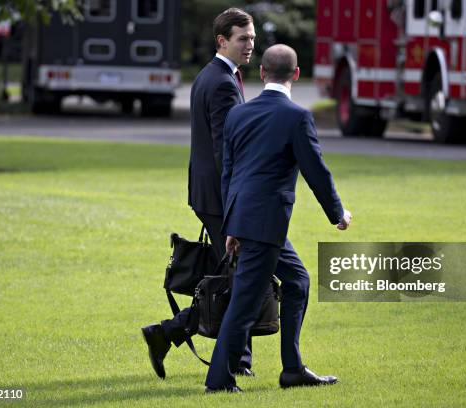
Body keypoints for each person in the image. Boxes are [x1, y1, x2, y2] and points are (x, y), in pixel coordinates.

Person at [204, 44, 352, 393]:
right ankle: (218, 381)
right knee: (244, 303)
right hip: (264, 224)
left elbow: (228, 173)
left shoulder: (238, 115)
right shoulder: (297, 117)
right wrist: (337, 213)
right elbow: (316, 171)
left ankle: (292, 369)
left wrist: (231, 224)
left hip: (247, 219)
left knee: (298, 281)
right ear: (296, 75)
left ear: (262, 73)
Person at [141, 8, 256, 379]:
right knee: (238, 279)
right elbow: (226, 149)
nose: (250, 44)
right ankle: (168, 333)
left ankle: (237, 358)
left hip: (208, 194)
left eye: (252, 38)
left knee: (237, 275)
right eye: (243, 38)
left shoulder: (211, 75)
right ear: (222, 40)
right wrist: (237, 204)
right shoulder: (221, 81)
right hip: (220, 198)